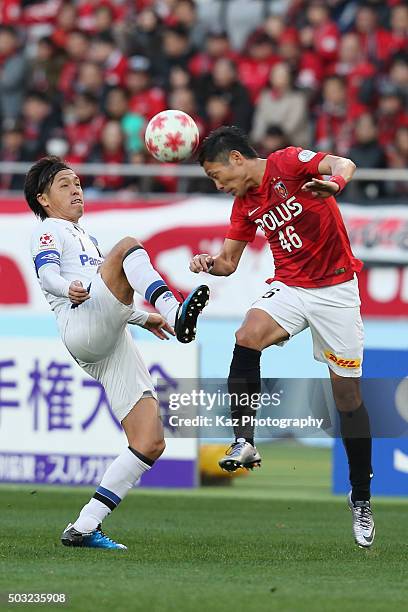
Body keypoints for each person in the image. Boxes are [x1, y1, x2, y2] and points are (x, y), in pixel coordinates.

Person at [191, 126, 374, 549]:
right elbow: (228, 263)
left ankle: (360, 497)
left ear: (238, 158)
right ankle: (244, 441)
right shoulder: (243, 204)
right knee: (247, 334)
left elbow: (344, 163)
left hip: (336, 291)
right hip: (290, 288)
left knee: (348, 399)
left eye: (218, 175)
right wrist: (208, 262)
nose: (219, 186)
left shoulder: (288, 162)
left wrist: (334, 183)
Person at [25, 156, 209, 550]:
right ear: (43, 199)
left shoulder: (87, 238)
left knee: (149, 442)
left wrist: (145, 320)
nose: (76, 189)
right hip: (81, 326)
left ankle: (85, 526)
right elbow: (46, 274)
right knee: (127, 247)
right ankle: (175, 308)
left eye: (77, 182)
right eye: (64, 184)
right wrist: (65, 287)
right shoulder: (50, 230)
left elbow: (109, 297)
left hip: (108, 340)